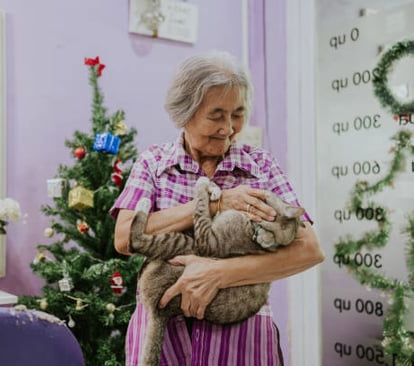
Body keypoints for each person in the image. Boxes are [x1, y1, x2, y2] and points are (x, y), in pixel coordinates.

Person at [110, 50, 325, 365]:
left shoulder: (261, 165)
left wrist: (219, 273)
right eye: (216, 115)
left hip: (243, 339)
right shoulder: (154, 163)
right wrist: (213, 203)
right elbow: (125, 237)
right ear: (186, 112)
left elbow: (309, 249)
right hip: (163, 339)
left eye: (237, 113)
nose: (229, 127)